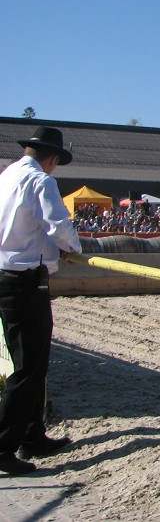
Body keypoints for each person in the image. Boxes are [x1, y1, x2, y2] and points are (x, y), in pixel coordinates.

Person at [0, 127, 81, 475]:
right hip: (24, 281)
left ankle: (32, 434)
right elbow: (59, 226)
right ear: (51, 158)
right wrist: (77, 247)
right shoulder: (40, 181)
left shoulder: (7, 175)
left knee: (31, 362)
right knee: (30, 367)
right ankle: (3, 446)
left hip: (8, 275)